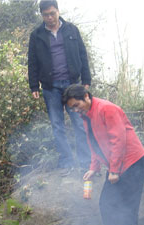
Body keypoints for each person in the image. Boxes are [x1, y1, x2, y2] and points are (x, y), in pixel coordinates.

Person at [63, 84, 144, 225]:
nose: (76, 111)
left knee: (127, 207)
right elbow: (95, 144)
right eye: (72, 109)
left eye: (76, 105)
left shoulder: (106, 109)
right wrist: (94, 168)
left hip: (132, 163)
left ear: (86, 96)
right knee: (106, 203)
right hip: (116, 164)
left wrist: (114, 170)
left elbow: (119, 140)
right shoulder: (87, 116)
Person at [28, 0, 91, 176]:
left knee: (79, 123)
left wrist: (86, 78)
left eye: (52, 13)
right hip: (50, 87)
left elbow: (82, 54)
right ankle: (66, 162)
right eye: (46, 15)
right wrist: (34, 85)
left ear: (58, 11)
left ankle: (86, 162)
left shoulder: (71, 30)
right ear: (41, 15)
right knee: (57, 125)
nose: (50, 18)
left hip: (72, 84)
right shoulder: (37, 35)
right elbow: (32, 62)